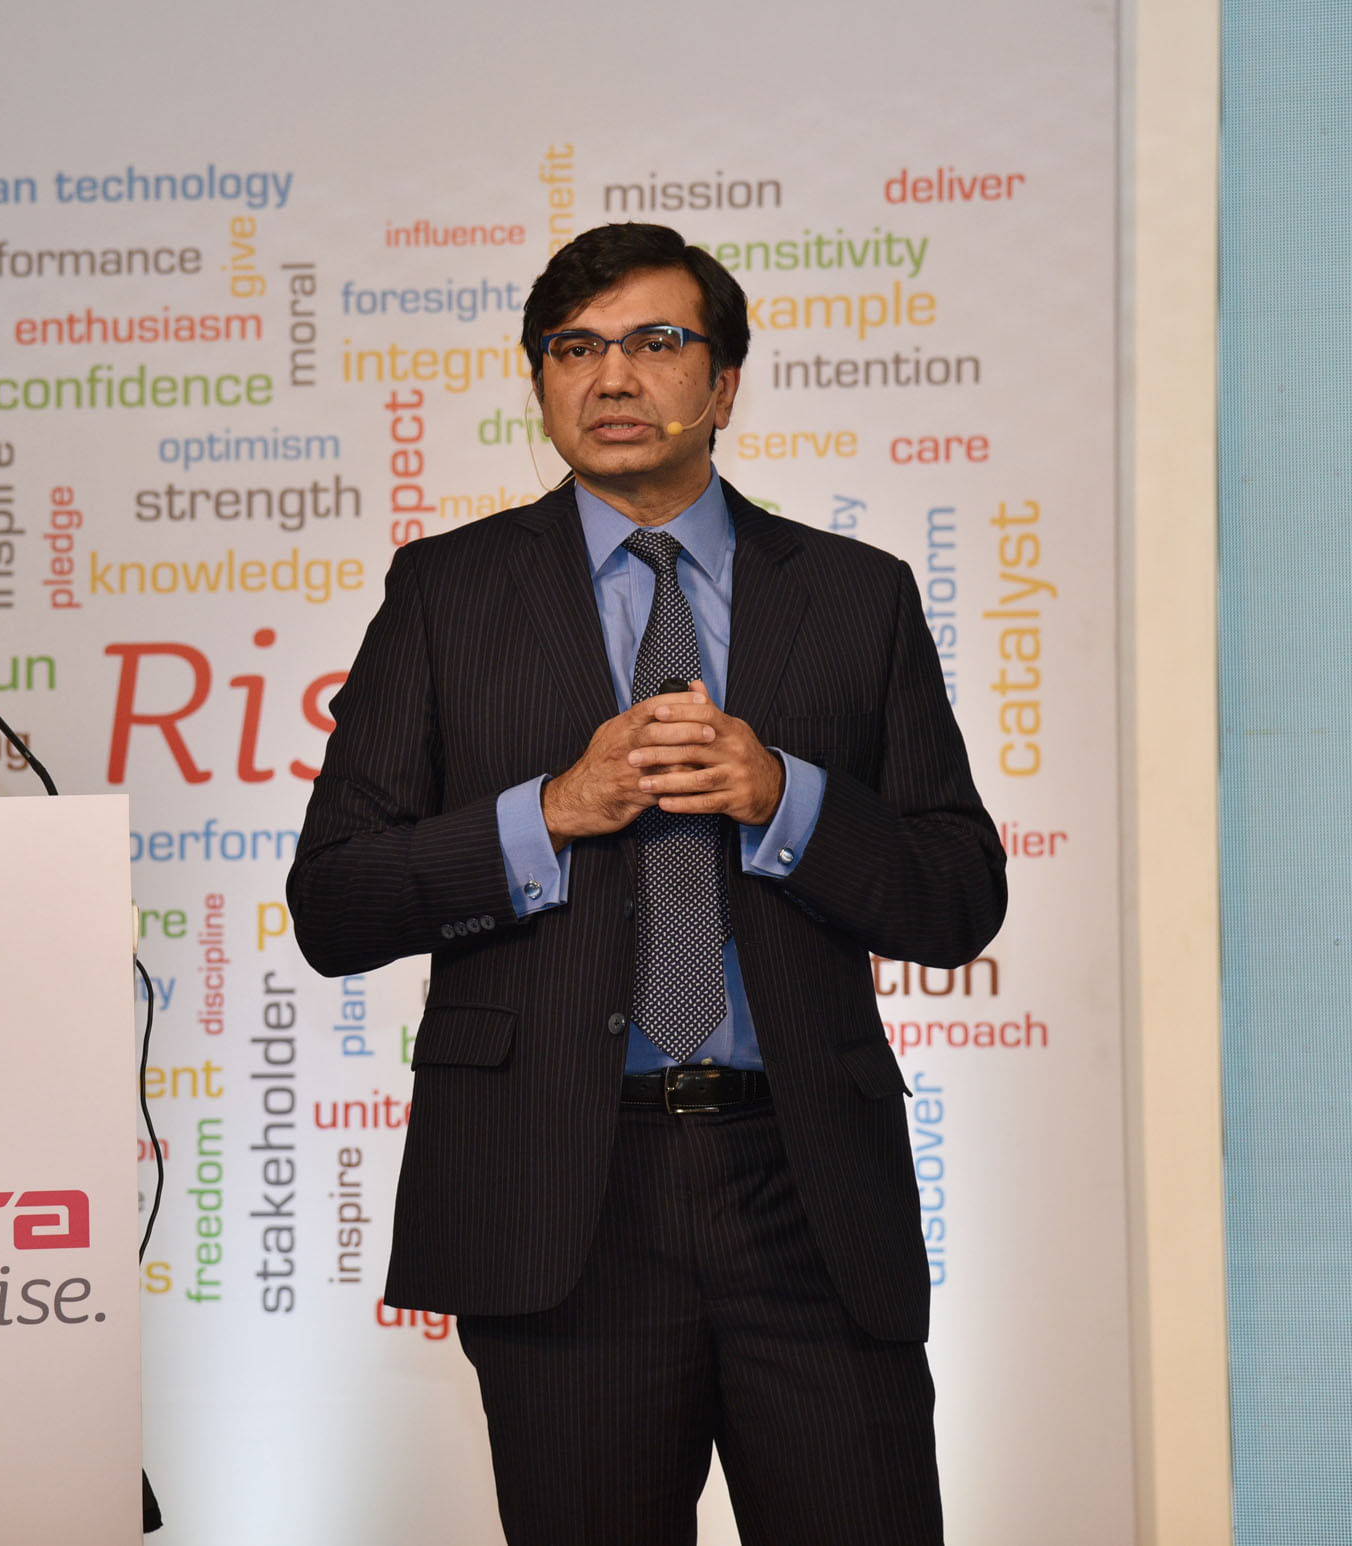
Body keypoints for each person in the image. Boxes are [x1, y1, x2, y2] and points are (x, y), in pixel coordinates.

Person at [286, 222, 1005, 1546]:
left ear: (723, 384)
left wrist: (784, 796)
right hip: (563, 1194)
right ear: (541, 382)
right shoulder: (446, 595)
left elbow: (959, 896)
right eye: (574, 349)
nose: (611, 377)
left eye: (654, 342)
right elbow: (333, 902)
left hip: (806, 1190)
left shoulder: (858, 597)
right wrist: (549, 814)